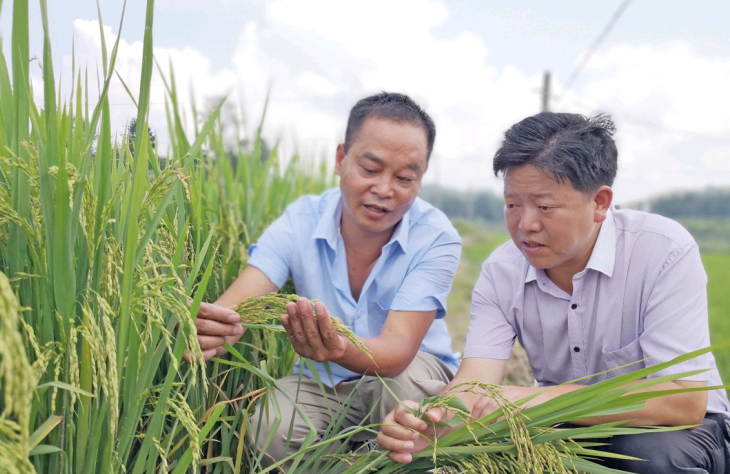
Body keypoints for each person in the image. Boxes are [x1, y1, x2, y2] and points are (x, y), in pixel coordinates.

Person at [377, 112, 730, 473]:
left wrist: (534, 399)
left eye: (545, 207)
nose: (526, 224)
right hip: (563, 424)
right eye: (513, 205)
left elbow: (683, 401)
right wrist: (436, 421)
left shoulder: (662, 251)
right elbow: (477, 381)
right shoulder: (502, 272)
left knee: (647, 454)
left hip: (676, 432)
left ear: (600, 203)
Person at [193, 92, 462, 467]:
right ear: (341, 159)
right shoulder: (299, 220)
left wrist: (339, 347)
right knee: (271, 428)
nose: (385, 190)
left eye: (404, 178)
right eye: (370, 169)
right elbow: (241, 298)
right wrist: (215, 325)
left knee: (405, 400)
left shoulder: (436, 236)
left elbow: (398, 351)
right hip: (323, 380)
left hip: (412, 370)